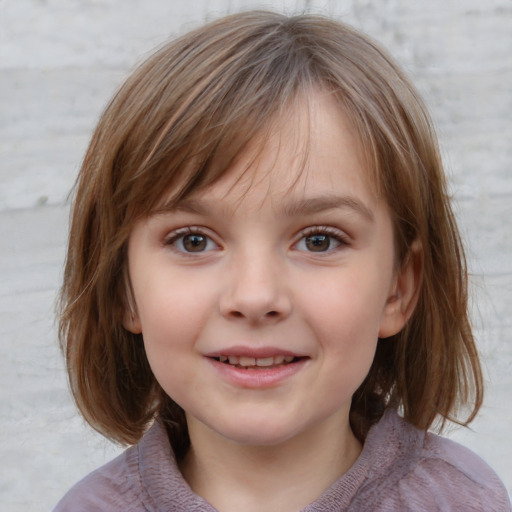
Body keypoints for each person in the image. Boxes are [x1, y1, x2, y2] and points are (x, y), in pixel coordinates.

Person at [54, 10, 511, 512]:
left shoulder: (465, 500)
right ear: (124, 287)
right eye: (193, 241)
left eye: (319, 241)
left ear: (398, 288)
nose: (254, 297)